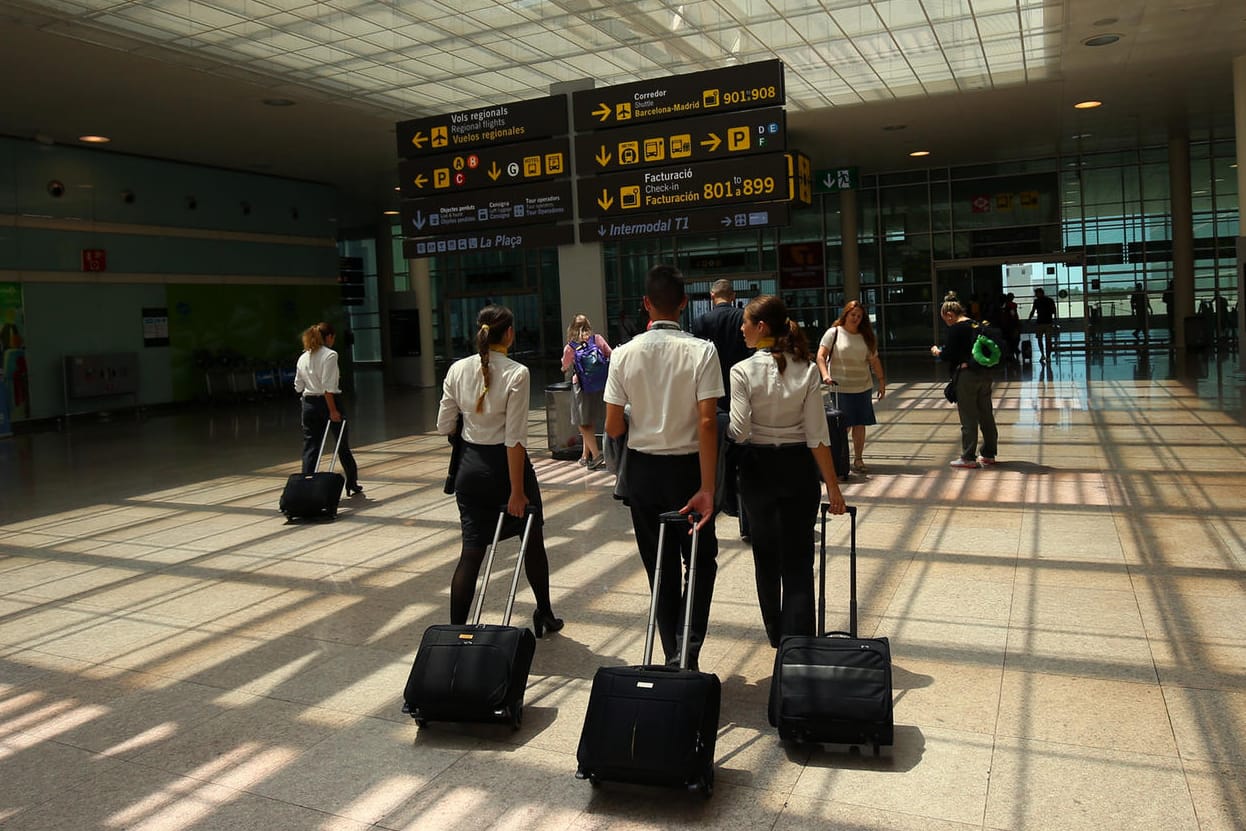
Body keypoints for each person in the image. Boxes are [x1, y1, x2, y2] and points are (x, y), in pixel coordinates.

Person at [605, 265, 722, 671]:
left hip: (643, 473)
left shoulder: (623, 354)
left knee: (661, 565)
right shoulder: (702, 351)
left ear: (646, 304)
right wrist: (708, 486)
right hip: (690, 468)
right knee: (702, 560)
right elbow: (708, 421)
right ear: (685, 303)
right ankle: (688, 647)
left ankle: (672, 649)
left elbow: (613, 425)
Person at [436, 304, 563, 636]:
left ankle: (454, 634)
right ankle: (545, 614)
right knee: (532, 541)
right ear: (509, 334)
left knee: (471, 552)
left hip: (469, 470)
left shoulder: (456, 370)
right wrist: (517, 491)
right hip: (505, 471)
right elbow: (514, 439)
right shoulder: (517, 373)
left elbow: (443, 425)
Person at [730, 295, 846, 647]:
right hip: (798, 468)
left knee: (765, 555)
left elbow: (739, 431)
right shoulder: (808, 369)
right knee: (798, 557)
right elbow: (817, 435)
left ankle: (776, 636)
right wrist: (834, 488)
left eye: (747, 322)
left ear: (761, 327)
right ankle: (798, 637)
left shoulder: (742, 371)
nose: (742, 328)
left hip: (758, 469)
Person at [816, 300, 886, 473]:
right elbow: (820, 356)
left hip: (862, 386)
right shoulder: (834, 333)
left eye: (859, 316)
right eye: (853, 315)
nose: (856, 318)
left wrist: (882, 381)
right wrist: (825, 375)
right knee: (842, 425)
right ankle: (837, 458)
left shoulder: (866, 337)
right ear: (845, 314)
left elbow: (874, 360)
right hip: (841, 388)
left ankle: (858, 459)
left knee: (860, 424)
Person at [293, 321, 361, 495]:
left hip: (308, 404)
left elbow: (298, 387)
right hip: (328, 403)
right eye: (333, 338)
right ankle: (352, 483)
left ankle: (305, 486)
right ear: (329, 337)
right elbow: (328, 387)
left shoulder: (303, 357)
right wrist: (332, 411)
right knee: (341, 444)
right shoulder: (330, 355)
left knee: (311, 446)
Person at [932, 296, 998, 469]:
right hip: (984, 374)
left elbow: (949, 355)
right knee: (986, 414)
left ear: (949, 315)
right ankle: (989, 453)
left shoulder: (956, 329)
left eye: (944, 319)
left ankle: (968, 456)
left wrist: (938, 352)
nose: (946, 322)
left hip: (966, 376)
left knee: (968, 416)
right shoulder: (977, 325)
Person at [560, 314, 612, 469]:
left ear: (572, 327)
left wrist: (565, 366)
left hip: (581, 386)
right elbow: (610, 354)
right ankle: (585, 456)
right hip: (600, 385)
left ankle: (596, 455)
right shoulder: (597, 339)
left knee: (582, 422)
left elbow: (565, 366)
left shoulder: (571, 346)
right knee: (589, 420)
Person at [691, 278, 751, 412]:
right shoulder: (743, 317)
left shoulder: (700, 321)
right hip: (742, 378)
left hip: (711, 384)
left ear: (712, 295)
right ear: (733, 296)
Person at [1027, 287, 1058, 362]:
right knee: (1048, 340)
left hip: (1040, 322)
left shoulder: (1036, 301)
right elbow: (1054, 310)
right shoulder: (1050, 300)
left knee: (1040, 339)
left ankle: (1043, 355)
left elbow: (1033, 311)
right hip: (1048, 322)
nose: (1036, 295)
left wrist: (1029, 319)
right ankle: (1048, 356)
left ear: (1040, 293)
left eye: (1036, 293)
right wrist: (1055, 320)